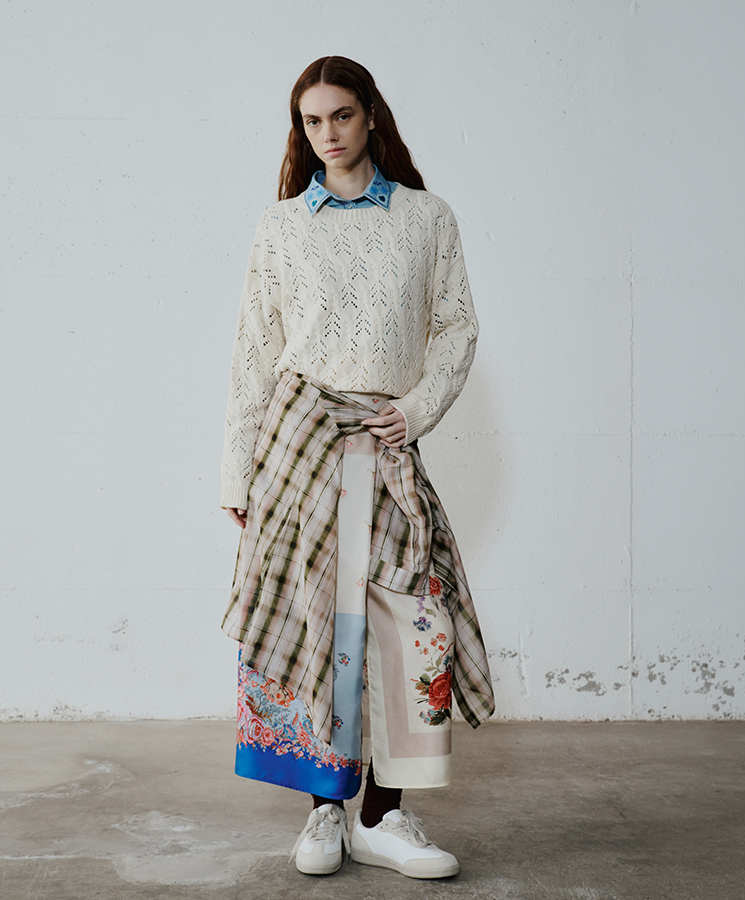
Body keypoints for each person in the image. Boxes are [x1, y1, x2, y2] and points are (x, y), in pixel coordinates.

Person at [220, 56, 494, 879]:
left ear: (371, 115)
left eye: (341, 115)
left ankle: (385, 814)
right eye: (312, 121)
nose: (328, 134)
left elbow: (457, 328)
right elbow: (253, 353)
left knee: (410, 625)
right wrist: (237, 473)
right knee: (320, 622)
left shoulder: (426, 218)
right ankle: (326, 811)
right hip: (297, 447)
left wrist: (415, 410)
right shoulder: (281, 226)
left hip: (384, 442)